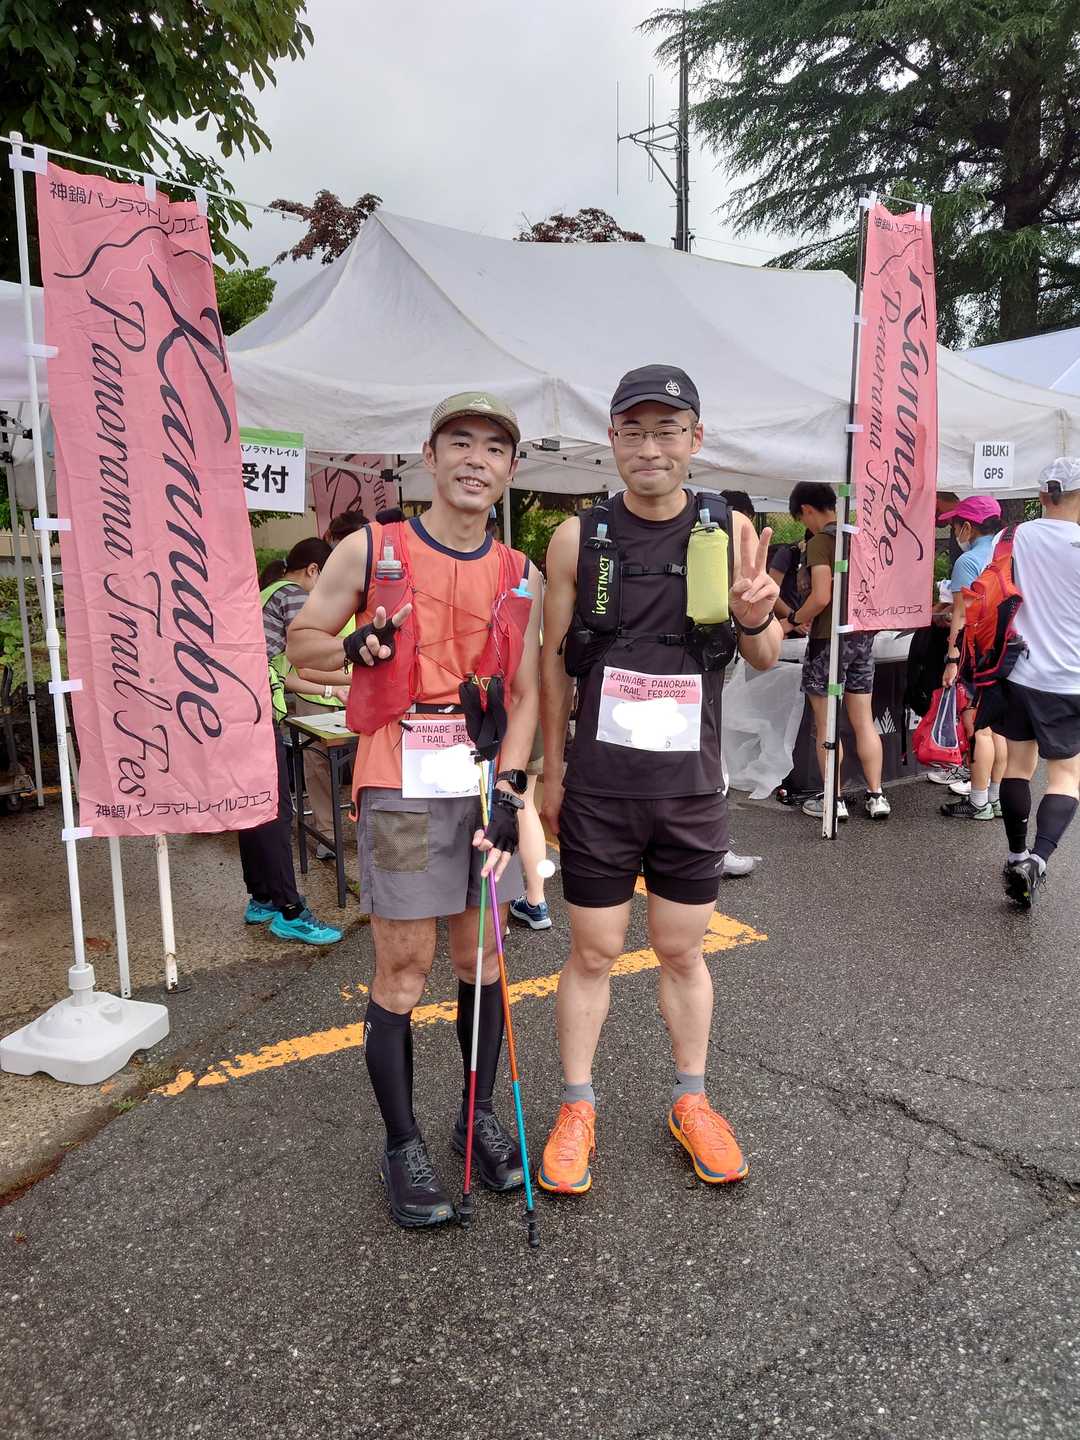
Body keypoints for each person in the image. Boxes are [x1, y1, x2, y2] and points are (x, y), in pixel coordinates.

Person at [287, 391, 542, 1228]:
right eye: (459, 442)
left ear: (510, 469)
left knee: (483, 961)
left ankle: (477, 1119)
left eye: (494, 448)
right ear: (429, 457)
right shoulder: (373, 547)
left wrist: (513, 790)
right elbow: (301, 646)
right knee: (404, 967)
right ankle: (402, 1145)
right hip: (399, 772)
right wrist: (353, 646)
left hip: (480, 782)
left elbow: (527, 693)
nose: (476, 459)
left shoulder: (521, 572)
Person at [537, 364, 781, 1196]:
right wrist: (551, 773)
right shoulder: (576, 539)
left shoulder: (731, 529)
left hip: (690, 787)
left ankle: (692, 1099)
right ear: (611, 439)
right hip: (600, 787)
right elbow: (553, 666)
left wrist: (754, 611)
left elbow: (763, 654)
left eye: (667, 430)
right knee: (594, 951)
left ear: (695, 439)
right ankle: (578, 1106)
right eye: (633, 431)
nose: (650, 447)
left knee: (681, 949)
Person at [238, 539, 343, 947]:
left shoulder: (268, 593)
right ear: (313, 570)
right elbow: (311, 656)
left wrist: (339, 688)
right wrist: (360, 659)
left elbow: (289, 674)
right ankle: (290, 909)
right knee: (276, 810)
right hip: (256, 711)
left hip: (242, 709)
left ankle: (262, 897)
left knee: (253, 807)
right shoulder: (294, 595)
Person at [995, 457, 1080, 908]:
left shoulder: (1012, 537)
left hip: (1019, 670)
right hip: (1069, 678)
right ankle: (1037, 861)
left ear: (1043, 495)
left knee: (1017, 766)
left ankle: (1015, 854)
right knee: (1065, 775)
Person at [787, 481, 889, 821]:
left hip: (828, 640)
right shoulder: (860, 538)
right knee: (863, 720)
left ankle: (835, 799)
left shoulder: (821, 542)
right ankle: (876, 796)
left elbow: (820, 596)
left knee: (826, 724)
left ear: (806, 510)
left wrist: (792, 619)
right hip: (862, 636)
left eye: (802, 518)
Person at [936, 496, 1007, 821]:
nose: (954, 532)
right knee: (998, 728)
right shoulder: (1006, 553)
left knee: (978, 727)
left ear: (967, 526)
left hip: (975, 652)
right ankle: (995, 797)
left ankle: (978, 802)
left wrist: (952, 657)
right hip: (1004, 650)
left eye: (955, 525)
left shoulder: (967, 562)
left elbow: (961, 616)